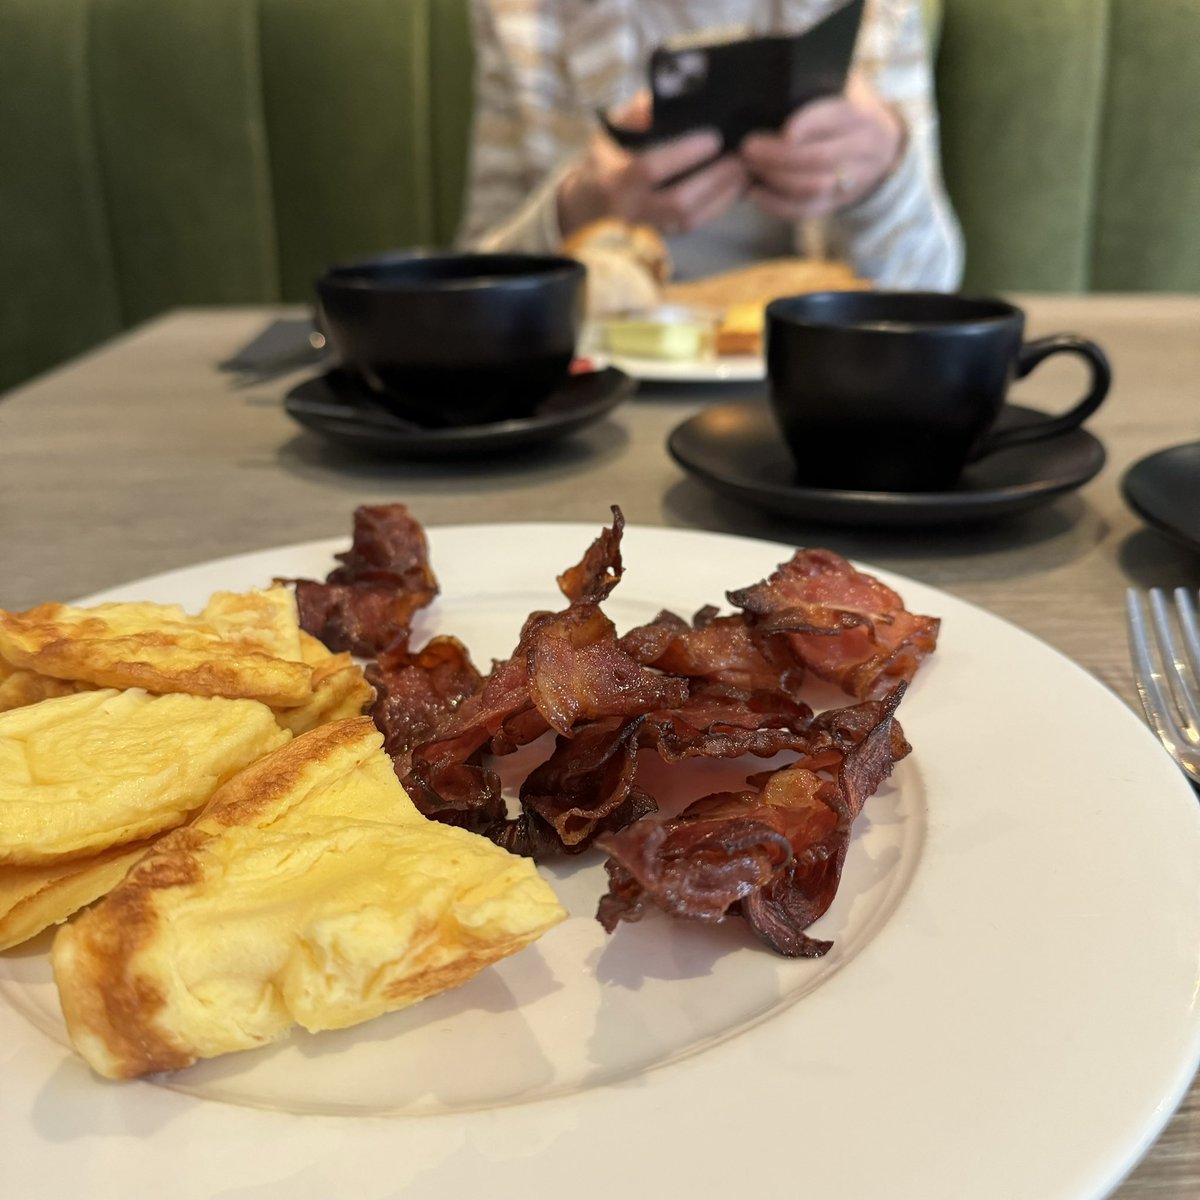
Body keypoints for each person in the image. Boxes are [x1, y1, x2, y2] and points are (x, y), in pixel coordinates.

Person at [457, 0, 963, 291]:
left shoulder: (876, 9)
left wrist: (882, 178)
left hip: (813, 383)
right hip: (600, 396)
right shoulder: (523, 13)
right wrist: (579, 211)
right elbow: (468, 288)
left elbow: (930, 288)